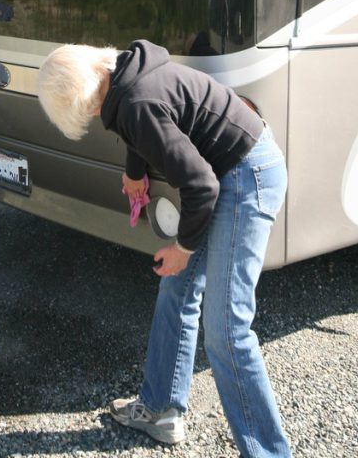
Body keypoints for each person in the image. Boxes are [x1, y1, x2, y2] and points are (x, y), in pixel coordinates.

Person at [37, 39, 292, 457]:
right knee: (177, 288)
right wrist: (134, 171)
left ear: (83, 94)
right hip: (227, 170)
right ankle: (160, 410)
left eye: (85, 108)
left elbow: (201, 185)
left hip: (247, 176)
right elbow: (151, 128)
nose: (92, 115)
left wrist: (184, 248)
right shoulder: (126, 75)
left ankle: (268, 452)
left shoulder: (134, 102)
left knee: (227, 330)